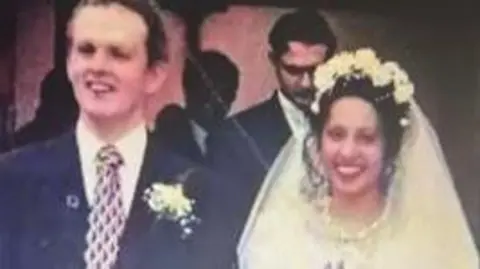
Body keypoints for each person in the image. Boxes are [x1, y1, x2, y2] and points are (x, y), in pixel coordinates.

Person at [0, 0, 240, 268]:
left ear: (154, 74)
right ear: (69, 64)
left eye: (118, 53)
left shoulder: (204, 194)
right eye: (86, 50)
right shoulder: (13, 179)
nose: (98, 66)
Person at [237, 48, 479, 268]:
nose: (348, 152)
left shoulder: (429, 242)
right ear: (318, 142)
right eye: (336, 134)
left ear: (390, 148)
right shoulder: (281, 228)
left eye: (366, 138)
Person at [206, 9, 337, 223]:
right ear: (273, 61)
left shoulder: (348, 129)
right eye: (293, 70)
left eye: (315, 70)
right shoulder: (233, 137)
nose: (306, 83)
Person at [154, 50, 239, 162]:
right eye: (208, 92)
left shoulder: (231, 146)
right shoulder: (169, 135)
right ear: (189, 89)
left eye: (226, 94)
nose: (218, 102)